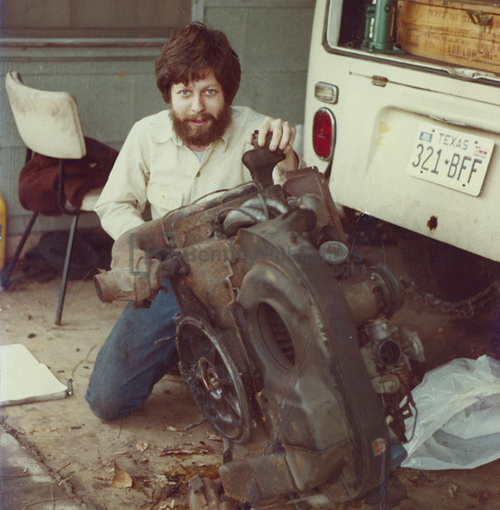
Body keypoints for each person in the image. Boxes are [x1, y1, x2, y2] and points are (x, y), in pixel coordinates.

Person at [85, 22, 302, 420]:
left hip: (237, 288)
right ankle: (175, 352)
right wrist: (139, 247)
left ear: (227, 94)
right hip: (169, 280)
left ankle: (192, 354)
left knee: (266, 407)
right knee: (107, 400)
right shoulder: (146, 135)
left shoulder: (257, 132)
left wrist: (287, 153)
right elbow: (114, 203)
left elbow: (298, 204)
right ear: (169, 94)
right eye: (185, 93)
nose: (197, 107)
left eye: (209, 92)